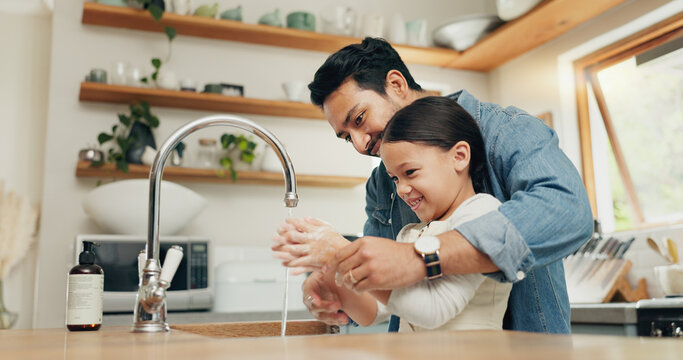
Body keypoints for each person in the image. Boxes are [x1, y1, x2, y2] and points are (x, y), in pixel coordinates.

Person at [276, 37, 593, 333]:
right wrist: (339, 284)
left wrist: (420, 257)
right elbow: (380, 294)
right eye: (346, 136)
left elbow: (568, 210)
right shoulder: (381, 184)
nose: (359, 145)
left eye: (359, 119)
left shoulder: (505, 131)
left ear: (397, 85)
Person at [274, 96, 512, 332]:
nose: (401, 189)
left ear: (459, 157)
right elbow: (375, 311)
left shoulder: (482, 211)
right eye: (395, 178)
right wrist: (334, 278)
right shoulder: (410, 234)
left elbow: (435, 309)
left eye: (410, 171)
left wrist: (339, 252)